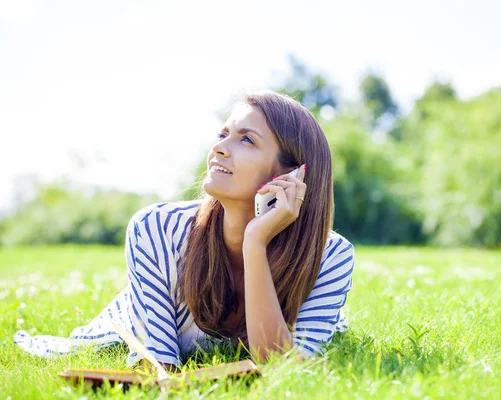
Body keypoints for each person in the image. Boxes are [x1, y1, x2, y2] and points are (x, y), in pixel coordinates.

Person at [14, 91, 354, 371]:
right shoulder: (156, 229)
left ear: (292, 176)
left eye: (246, 140)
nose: (219, 148)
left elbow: (283, 368)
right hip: (136, 314)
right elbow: (160, 367)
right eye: (223, 134)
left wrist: (255, 244)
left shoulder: (331, 256)